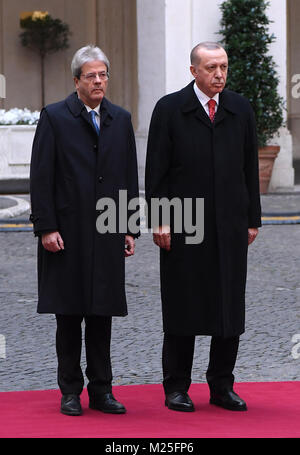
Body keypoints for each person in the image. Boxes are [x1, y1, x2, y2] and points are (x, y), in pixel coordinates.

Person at [145, 42, 261, 412]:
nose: (219, 74)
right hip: (184, 224)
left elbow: (249, 169)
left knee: (228, 306)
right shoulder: (169, 109)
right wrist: (159, 218)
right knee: (184, 304)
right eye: (211, 67)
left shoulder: (239, 108)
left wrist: (252, 219)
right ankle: (176, 387)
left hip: (229, 224)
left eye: (224, 67)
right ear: (193, 70)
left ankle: (221, 385)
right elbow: (156, 172)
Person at [30, 45, 139, 416]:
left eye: (103, 74)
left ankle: (103, 390)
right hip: (67, 233)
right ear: (76, 80)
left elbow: (128, 176)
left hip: (108, 231)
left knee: (101, 313)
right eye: (91, 75)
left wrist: (129, 227)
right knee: (69, 314)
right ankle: (70, 391)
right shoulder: (55, 117)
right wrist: (46, 228)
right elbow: (40, 177)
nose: (98, 81)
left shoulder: (120, 119)